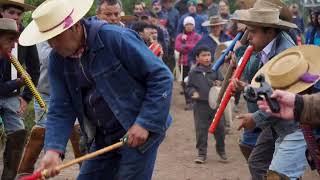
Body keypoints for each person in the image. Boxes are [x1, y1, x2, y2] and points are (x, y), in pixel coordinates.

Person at [18, 0, 173, 179]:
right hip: (103, 134)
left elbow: (161, 77)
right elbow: (61, 106)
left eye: (56, 37)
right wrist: (53, 149)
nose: (52, 44)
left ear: (74, 26)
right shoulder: (57, 60)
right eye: (48, 39)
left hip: (138, 126)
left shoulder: (115, 38)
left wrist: (145, 122)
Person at [230, 6, 308, 179]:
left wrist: (255, 118)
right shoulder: (265, 46)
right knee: (258, 162)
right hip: (277, 120)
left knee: (277, 173)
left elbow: (279, 99)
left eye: (252, 31)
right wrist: (245, 87)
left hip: (293, 125)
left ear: (270, 31)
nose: (248, 37)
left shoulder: (284, 54)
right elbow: (260, 84)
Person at [17, 41, 84, 177]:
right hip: (46, 93)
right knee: (41, 130)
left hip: (74, 92)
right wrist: (71, 49)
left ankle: (88, 172)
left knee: (78, 131)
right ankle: (24, 173)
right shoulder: (42, 39)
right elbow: (47, 59)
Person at [0, 0, 40, 179]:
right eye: (11, 12)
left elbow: (34, 68)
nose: (16, 17)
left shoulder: (25, 35)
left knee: (18, 134)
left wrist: (26, 97)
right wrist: (18, 82)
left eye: (19, 14)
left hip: (12, 96)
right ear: (1, 11)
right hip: (7, 87)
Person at [186, 45, 226, 163]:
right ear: (197, 58)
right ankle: (201, 154)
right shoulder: (194, 72)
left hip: (215, 105)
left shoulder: (215, 69)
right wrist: (193, 92)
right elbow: (188, 87)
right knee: (201, 130)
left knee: (220, 129)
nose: (207, 58)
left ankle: (221, 150)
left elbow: (222, 82)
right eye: (203, 55)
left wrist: (220, 83)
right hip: (200, 106)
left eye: (208, 55)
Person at [175, 16, 202, 111]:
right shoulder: (180, 36)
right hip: (183, 63)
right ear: (184, 26)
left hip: (195, 63)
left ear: (194, 26)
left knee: (195, 82)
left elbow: (197, 47)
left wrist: (186, 46)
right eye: (187, 24)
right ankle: (188, 101)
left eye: (191, 24)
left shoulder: (198, 36)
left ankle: (195, 100)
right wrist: (187, 45)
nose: (189, 26)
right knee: (184, 82)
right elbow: (178, 47)